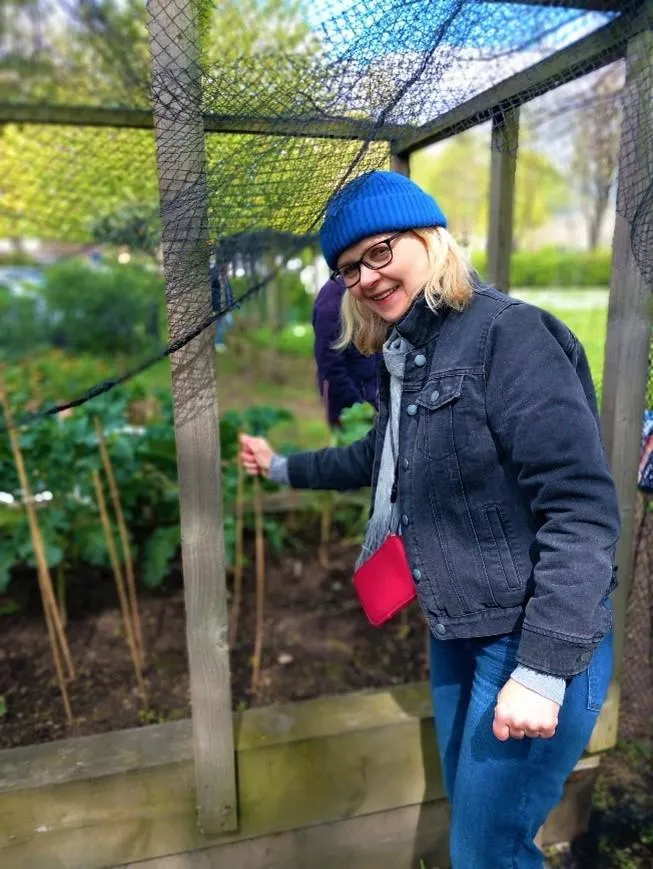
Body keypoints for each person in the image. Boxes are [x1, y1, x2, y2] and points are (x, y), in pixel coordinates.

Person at [239, 170, 620, 868]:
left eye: (380, 250)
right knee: (475, 835)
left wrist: (540, 670)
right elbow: (377, 455)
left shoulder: (510, 337)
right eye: (349, 267)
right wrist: (283, 466)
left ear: (429, 238)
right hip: (456, 629)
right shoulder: (408, 355)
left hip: (528, 635)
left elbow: (581, 512)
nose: (366, 276)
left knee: (487, 852)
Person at [312, 276, 380, 427]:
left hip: (378, 401)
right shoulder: (332, 296)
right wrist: (357, 408)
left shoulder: (371, 284)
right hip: (352, 409)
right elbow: (329, 363)